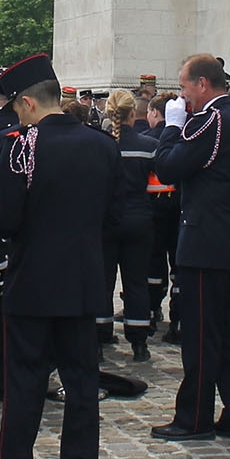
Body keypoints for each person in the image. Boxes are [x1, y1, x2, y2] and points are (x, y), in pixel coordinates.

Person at [0, 53, 119, 459]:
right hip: (83, 283)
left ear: (27, 102)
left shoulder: (22, 147)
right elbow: (112, 215)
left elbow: (3, 218)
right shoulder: (102, 146)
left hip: (32, 285)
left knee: (24, 387)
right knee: (83, 386)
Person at [150, 54, 230, 442]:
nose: (183, 97)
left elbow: (168, 167)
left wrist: (171, 127)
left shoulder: (212, 120)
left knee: (202, 334)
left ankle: (195, 417)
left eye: (185, 87)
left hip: (206, 241)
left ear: (203, 84)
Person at [103, 88, 159, 360]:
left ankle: (99, 336)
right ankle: (139, 343)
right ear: (133, 113)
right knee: (136, 282)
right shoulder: (148, 146)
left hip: (106, 220)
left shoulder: (101, 145)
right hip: (138, 218)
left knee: (102, 281)